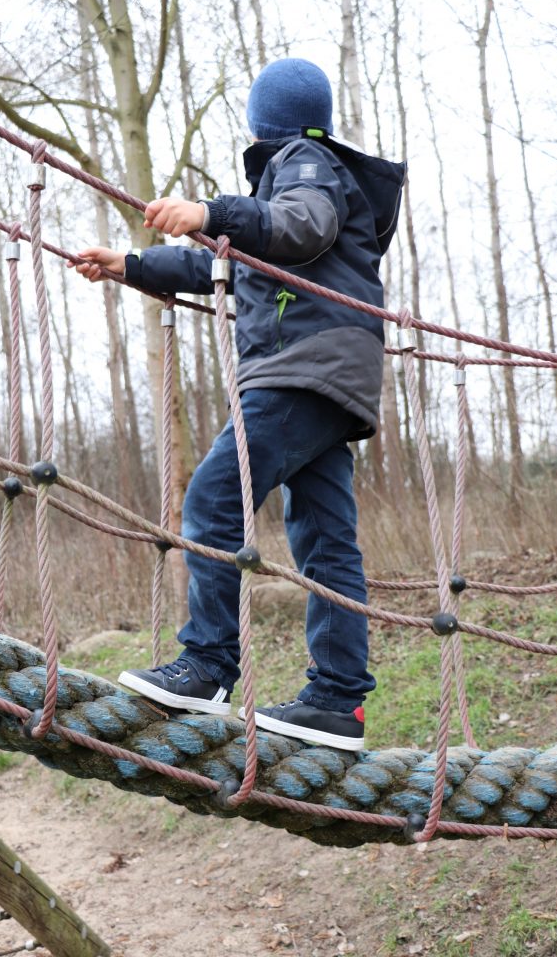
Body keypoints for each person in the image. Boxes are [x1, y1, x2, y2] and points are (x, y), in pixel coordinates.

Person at [70, 58, 405, 751]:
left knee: (214, 499)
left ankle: (209, 665)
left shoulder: (304, 163)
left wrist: (212, 211)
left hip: (300, 371)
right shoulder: (291, 182)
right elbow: (221, 266)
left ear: (264, 120)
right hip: (329, 376)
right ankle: (339, 702)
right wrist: (131, 265)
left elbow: (300, 226)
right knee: (324, 539)